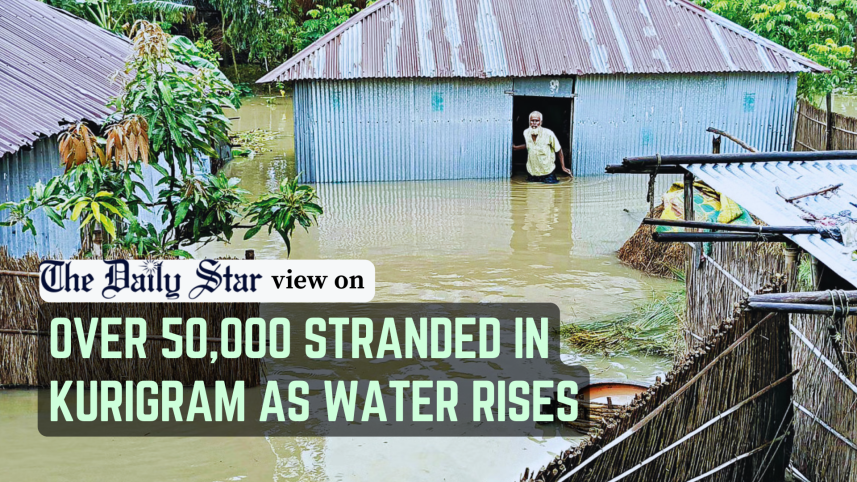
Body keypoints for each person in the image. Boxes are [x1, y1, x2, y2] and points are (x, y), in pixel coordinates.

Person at [512, 111, 571, 183]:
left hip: (547, 173)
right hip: (532, 173)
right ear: (529, 122)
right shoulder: (526, 132)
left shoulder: (549, 133)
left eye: (536, 121)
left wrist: (563, 167)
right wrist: (516, 148)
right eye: (532, 121)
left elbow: (558, 149)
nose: (534, 123)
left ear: (541, 122)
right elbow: (529, 145)